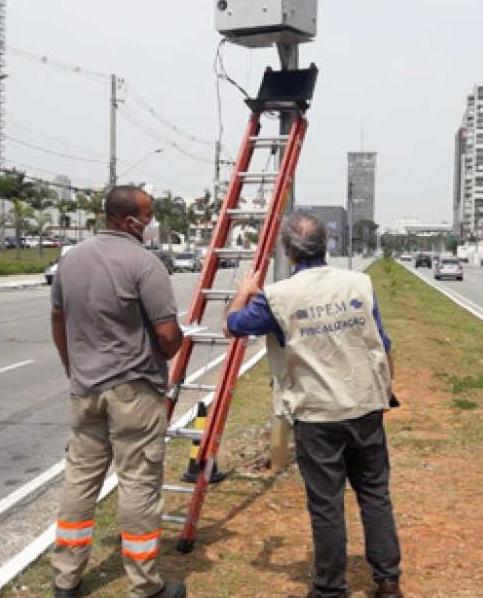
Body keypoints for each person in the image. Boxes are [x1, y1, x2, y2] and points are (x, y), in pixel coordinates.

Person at [225, 211, 404, 598]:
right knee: (375, 494)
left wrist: (246, 290)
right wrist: (386, 389)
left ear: (288, 251)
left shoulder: (279, 297)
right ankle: (388, 581)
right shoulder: (358, 284)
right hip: (364, 404)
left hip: (318, 411)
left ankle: (329, 588)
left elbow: (233, 326)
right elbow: (382, 344)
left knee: (326, 504)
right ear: (326, 246)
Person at [49, 185, 187, 598]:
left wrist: (73, 368)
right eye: (149, 215)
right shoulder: (144, 264)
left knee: (80, 480)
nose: (151, 222)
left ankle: (65, 578)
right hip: (133, 390)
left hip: (85, 389)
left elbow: (58, 320)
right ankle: (144, 586)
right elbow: (167, 337)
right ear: (130, 221)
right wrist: (175, 341)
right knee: (138, 483)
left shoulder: (70, 260)